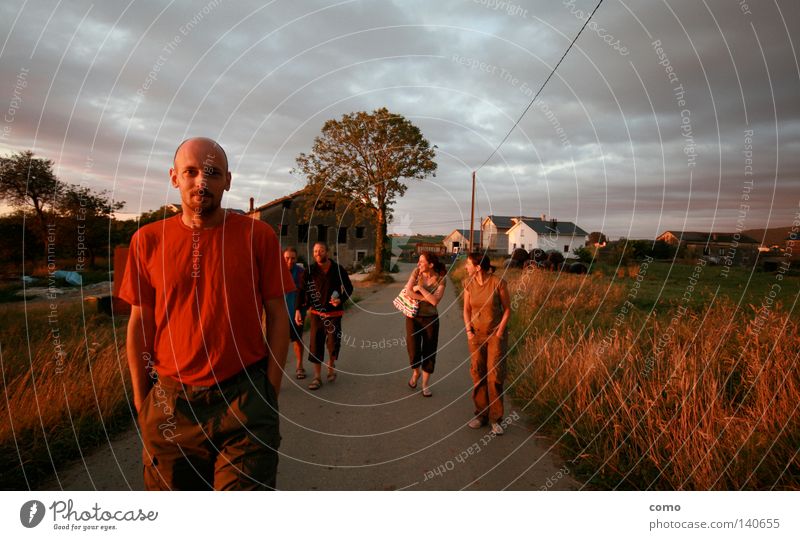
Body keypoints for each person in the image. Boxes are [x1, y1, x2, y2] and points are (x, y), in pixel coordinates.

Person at [119, 137, 294, 490]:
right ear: (174, 177)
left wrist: (269, 391)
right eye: (191, 171)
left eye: (213, 173)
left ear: (227, 180)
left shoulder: (257, 236)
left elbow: (278, 316)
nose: (202, 181)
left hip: (244, 398)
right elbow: (140, 322)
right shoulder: (147, 241)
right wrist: (143, 402)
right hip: (171, 403)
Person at [462, 252, 511, 435]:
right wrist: (468, 331)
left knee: (495, 375)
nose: (465, 267)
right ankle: (481, 415)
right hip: (475, 335)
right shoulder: (468, 284)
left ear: (478, 267)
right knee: (478, 373)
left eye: (467, 264)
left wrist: (499, 333)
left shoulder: (498, 283)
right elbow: (466, 310)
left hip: (495, 336)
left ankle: (496, 419)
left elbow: (507, 310)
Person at [295, 241, 353, 390]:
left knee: (333, 343)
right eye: (315, 251)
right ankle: (317, 377)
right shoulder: (310, 270)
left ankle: (331, 367)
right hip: (316, 313)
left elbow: (348, 287)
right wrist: (297, 310)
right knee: (316, 343)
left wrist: (341, 299)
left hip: (334, 313)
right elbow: (302, 290)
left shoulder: (337, 269)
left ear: (327, 252)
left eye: (320, 250)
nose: (317, 254)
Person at [403, 251, 447, 397]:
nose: (418, 264)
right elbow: (408, 292)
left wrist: (420, 289)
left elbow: (435, 301)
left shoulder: (441, 279)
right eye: (419, 261)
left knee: (429, 351)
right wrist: (426, 297)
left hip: (431, 319)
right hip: (413, 317)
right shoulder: (416, 273)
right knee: (413, 349)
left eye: (421, 262)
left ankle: (425, 385)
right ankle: (416, 373)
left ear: (431, 265)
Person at [283, 247, 307, 379]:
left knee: (297, 340)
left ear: (296, 259)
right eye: (287, 258)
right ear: (282, 258)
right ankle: (277, 370)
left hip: (298, 312)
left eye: (293, 258)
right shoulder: (276, 272)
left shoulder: (301, 273)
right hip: (280, 314)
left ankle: (299, 366)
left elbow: (307, 292)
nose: (290, 261)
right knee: (278, 343)